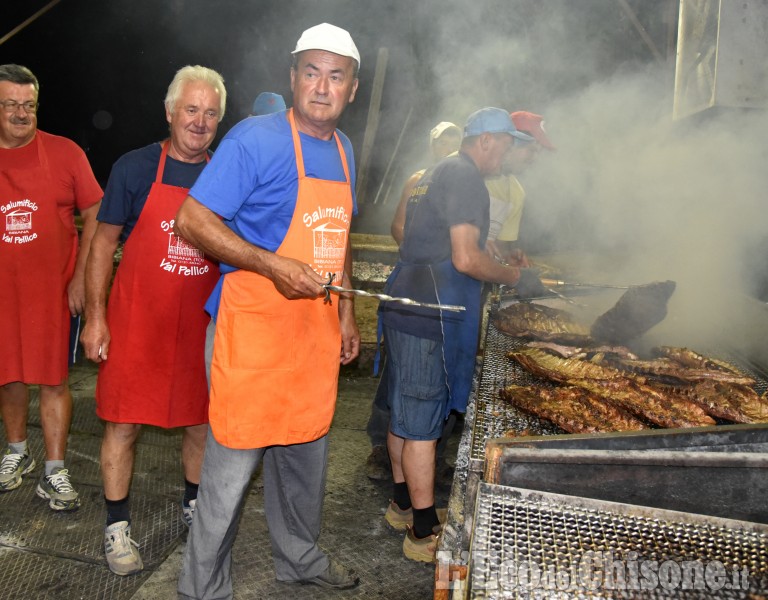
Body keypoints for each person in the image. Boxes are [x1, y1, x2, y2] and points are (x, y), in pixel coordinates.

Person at [175, 23, 362, 598]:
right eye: (311, 72)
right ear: (293, 77)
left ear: (352, 89)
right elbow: (193, 220)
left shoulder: (345, 149)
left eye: (336, 76)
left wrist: (348, 312)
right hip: (253, 334)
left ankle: (301, 559)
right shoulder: (255, 139)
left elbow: (338, 236)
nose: (322, 87)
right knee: (228, 477)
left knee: (306, 461)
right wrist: (271, 264)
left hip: (314, 336)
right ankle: (201, 589)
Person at [379, 107, 547, 562]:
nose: (509, 153)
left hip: (405, 303)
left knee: (403, 411)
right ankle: (422, 530)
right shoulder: (468, 177)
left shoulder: (435, 171)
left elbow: (438, 239)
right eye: (507, 143)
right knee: (423, 426)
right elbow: (465, 260)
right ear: (487, 140)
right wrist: (514, 277)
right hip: (431, 313)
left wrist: (490, 254)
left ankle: (399, 503)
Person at [79, 65, 227, 576]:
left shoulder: (226, 171)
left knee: (201, 423)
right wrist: (95, 319)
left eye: (210, 113)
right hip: (137, 323)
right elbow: (102, 243)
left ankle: (195, 507)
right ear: (170, 112)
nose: (200, 122)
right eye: (191, 110)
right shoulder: (135, 168)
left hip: (199, 327)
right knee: (123, 423)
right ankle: (116, 527)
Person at [0, 64, 102, 511]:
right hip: (4, 294)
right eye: (11, 106)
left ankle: (54, 472)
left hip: (54, 293)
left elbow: (97, 213)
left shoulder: (65, 153)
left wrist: (81, 276)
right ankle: (16, 454)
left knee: (54, 380)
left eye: (29, 106)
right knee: (10, 377)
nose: (22, 115)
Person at [365, 120, 462, 481]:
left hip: (441, 295)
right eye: (442, 142)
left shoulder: (465, 183)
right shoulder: (418, 179)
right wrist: (424, 254)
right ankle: (383, 449)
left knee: (435, 379)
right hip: (415, 289)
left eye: (454, 141)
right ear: (433, 146)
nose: (447, 147)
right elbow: (398, 228)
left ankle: (429, 456)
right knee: (400, 377)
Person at [485, 110, 555, 266]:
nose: (534, 159)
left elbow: (498, 251)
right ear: (511, 142)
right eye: (531, 150)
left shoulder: (516, 194)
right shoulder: (465, 172)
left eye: (538, 153)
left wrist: (508, 258)